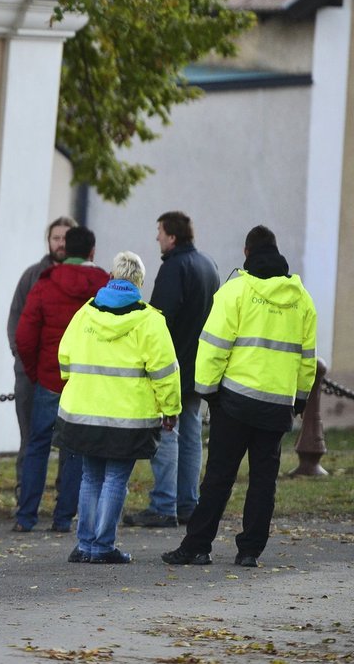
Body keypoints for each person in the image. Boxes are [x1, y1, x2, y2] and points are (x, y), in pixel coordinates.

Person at [163, 226, 317, 568]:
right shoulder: (301, 298)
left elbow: (213, 346)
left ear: (247, 254)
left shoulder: (237, 291)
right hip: (277, 404)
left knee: (219, 476)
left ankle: (197, 546)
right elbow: (308, 357)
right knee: (264, 480)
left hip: (234, 402)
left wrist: (207, 391)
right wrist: (300, 400)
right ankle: (250, 551)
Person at [56, 252, 182, 564]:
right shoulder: (151, 321)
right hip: (128, 418)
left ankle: (85, 545)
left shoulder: (85, 313)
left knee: (90, 477)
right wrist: (171, 409)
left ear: (111, 277)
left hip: (83, 412)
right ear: (140, 282)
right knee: (114, 480)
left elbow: (64, 357)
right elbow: (166, 372)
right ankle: (102, 547)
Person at [125, 211, 219, 528]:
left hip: (172, 368)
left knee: (167, 433)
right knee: (191, 436)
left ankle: (164, 504)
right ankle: (188, 502)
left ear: (172, 237)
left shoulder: (173, 268)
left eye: (160, 232)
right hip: (200, 367)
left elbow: (158, 321)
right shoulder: (209, 266)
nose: (157, 238)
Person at [14, 226, 109, 533]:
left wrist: (35, 371)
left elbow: (25, 336)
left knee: (37, 445)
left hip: (50, 377)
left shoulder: (45, 283)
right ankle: (63, 517)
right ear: (92, 252)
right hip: (86, 382)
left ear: (65, 249)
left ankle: (26, 516)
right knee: (75, 449)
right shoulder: (105, 286)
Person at [7, 216, 77, 499]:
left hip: (71, 375)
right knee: (31, 440)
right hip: (30, 374)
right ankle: (24, 496)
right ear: (48, 241)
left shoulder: (84, 278)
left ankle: (66, 499)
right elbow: (15, 321)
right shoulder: (33, 276)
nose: (60, 243)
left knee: (70, 442)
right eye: (56, 238)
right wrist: (22, 359)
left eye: (65, 238)